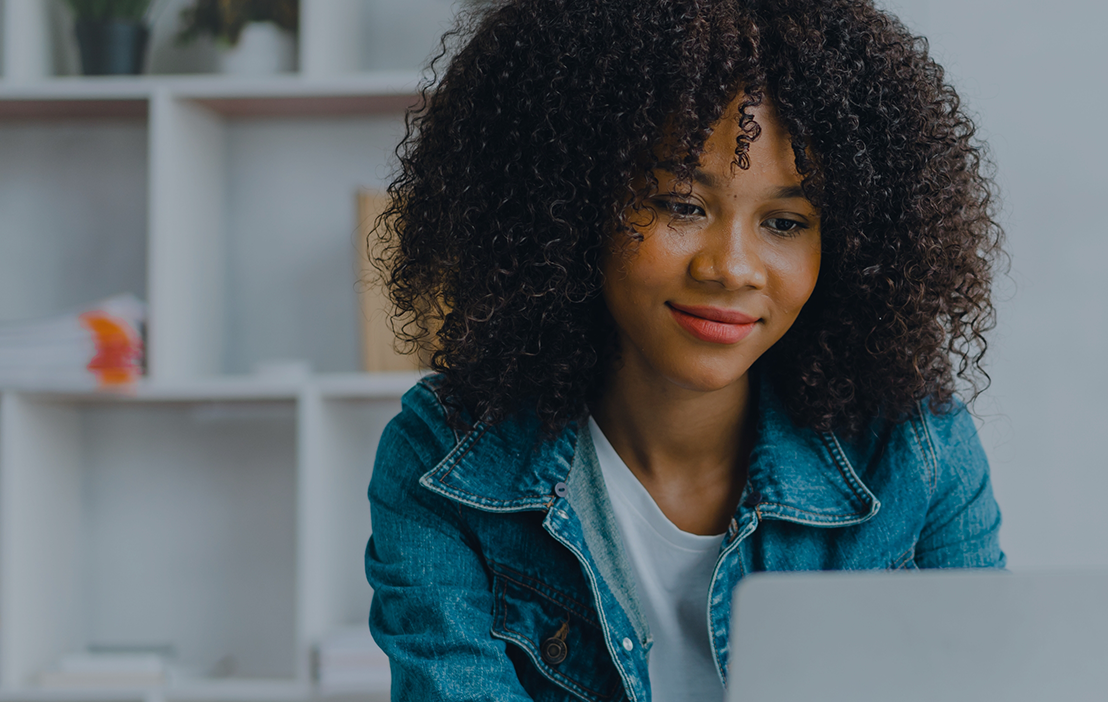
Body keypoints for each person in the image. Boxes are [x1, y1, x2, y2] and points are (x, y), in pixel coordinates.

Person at [361, 0, 1006, 700]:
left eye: (786, 221)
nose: (733, 266)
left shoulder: (917, 452)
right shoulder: (441, 463)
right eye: (682, 205)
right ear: (572, 205)